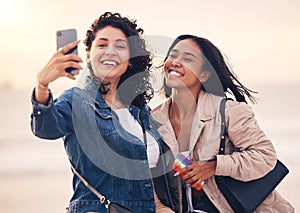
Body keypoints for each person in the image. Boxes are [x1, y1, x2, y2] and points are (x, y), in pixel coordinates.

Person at [30, 12, 177, 213]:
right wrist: (42, 84)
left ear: (131, 59)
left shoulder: (140, 111)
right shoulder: (77, 100)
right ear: (89, 55)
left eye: (120, 46)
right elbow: (46, 128)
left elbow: (148, 176)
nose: (110, 51)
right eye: (102, 44)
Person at [151, 34, 294, 212]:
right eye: (173, 55)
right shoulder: (151, 122)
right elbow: (150, 184)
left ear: (203, 74)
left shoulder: (229, 112)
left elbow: (265, 156)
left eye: (188, 58)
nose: (176, 62)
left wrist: (214, 166)